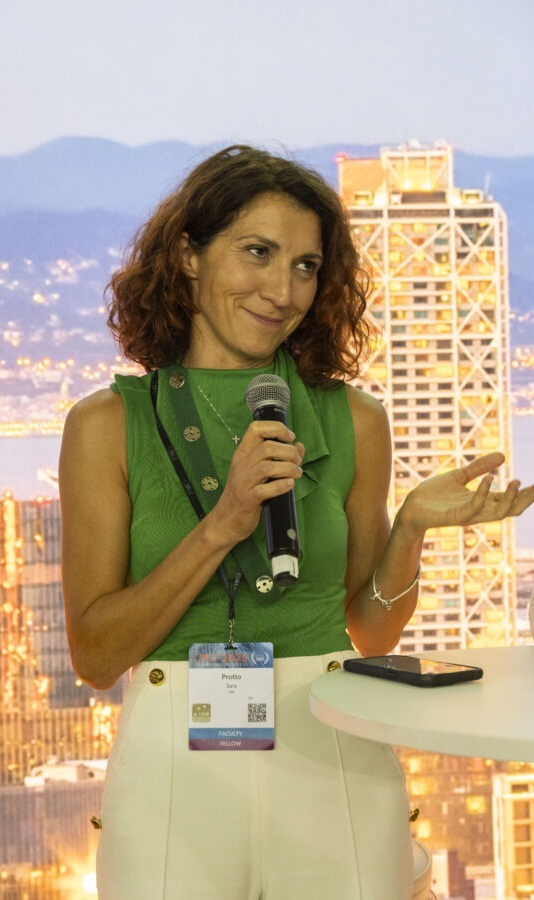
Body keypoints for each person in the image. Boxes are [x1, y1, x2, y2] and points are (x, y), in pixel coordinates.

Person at [59, 145, 534, 900]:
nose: (282, 291)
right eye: (258, 252)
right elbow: (95, 655)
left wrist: (409, 528)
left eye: (306, 266)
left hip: (333, 748)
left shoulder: (355, 420)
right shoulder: (106, 426)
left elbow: (371, 632)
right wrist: (224, 523)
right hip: (170, 773)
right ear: (187, 255)